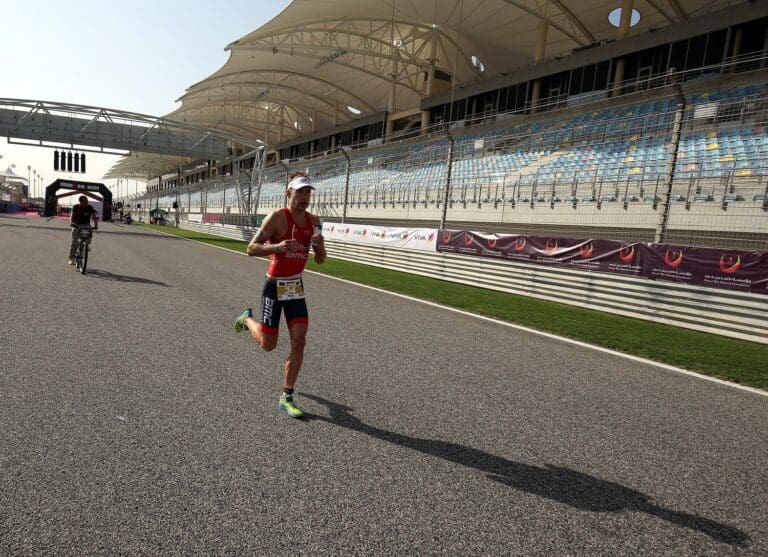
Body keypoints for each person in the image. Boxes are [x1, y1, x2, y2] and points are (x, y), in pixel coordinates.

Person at [234, 172, 326, 418]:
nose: (305, 197)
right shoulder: (276, 218)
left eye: (309, 192)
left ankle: (286, 395)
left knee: (299, 340)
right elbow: (251, 248)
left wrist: (321, 247)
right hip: (274, 287)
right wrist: (277, 247)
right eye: (301, 191)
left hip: (295, 287)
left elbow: (320, 260)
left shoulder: (315, 221)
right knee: (268, 345)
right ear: (289, 193)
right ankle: (246, 320)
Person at [68, 195, 98, 265]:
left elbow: (94, 216)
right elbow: (72, 216)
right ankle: (71, 258)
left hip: (86, 224)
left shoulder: (90, 207)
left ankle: (86, 245)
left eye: (87, 200)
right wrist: (71, 223)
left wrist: (96, 225)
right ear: (81, 202)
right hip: (76, 224)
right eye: (85, 201)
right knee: (74, 242)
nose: (87, 202)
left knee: (89, 233)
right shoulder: (76, 207)